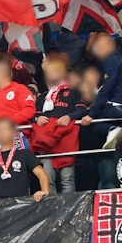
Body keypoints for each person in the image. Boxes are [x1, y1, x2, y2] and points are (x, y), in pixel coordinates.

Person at [31, 60, 85, 194]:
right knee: (47, 178)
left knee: (67, 179)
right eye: (48, 72)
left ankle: (69, 209)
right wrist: (38, 118)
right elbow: (33, 115)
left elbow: (82, 110)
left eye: (54, 71)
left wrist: (69, 117)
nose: (51, 74)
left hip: (66, 140)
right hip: (46, 143)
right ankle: (51, 209)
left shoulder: (74, 92)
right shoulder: (43, 96)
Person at [0, 118, 49, 204]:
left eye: (5, 129)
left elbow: (41, 174)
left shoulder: (25, 154)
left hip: (20, 206)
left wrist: (44, 191)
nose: (1, 133)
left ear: (13, 132)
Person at [81, 34, 122, 126]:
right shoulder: (121, 61)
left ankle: (113, 130)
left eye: (99, 47)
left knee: (89, 123)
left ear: (109, 46)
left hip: (120, 106)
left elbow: (107, 88)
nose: (97, 51)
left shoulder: (111, 61)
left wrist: (92, 114)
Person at [0, 56, 36, 125]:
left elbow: (29, 110)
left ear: (0, 74)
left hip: (18, 132)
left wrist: (8, 122)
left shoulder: (19, 89)